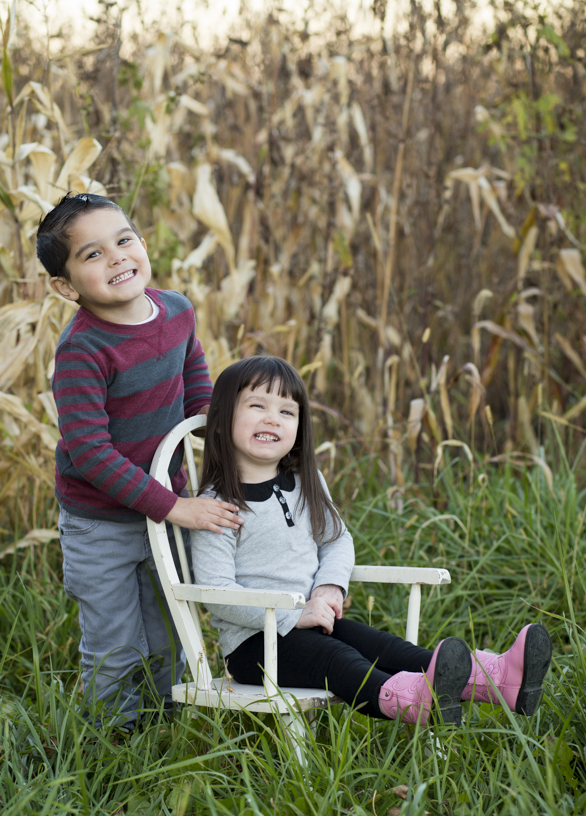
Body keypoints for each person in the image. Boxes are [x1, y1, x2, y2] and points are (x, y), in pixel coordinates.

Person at [191, 356, 552, 725]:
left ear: (300, 426)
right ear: (222, 420)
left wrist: (330, 586)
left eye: (287, 411)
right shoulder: (214, 507)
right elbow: (217, 593)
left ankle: (498, 679)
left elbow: (336, 540)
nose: (272, 418)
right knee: (338, 660)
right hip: (255, 647)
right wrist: (292, 615)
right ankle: (411, 700)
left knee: (386, 647)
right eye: (257, 406)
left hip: (314, 621)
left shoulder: (306, 481)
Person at [37, 193, 243, 730]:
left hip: (164, 507)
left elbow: (191, 373)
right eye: (92, 255)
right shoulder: (84, 349)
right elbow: (90, 452)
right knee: (115, 641)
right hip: (99, 522)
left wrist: (217, 428)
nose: (116, 258)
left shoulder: (175, 310)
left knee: (168, 627)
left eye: (123, 241)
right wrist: (174, 507)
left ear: (142, 243)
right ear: (66, 287)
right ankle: (114, 742)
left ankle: (164, 726)